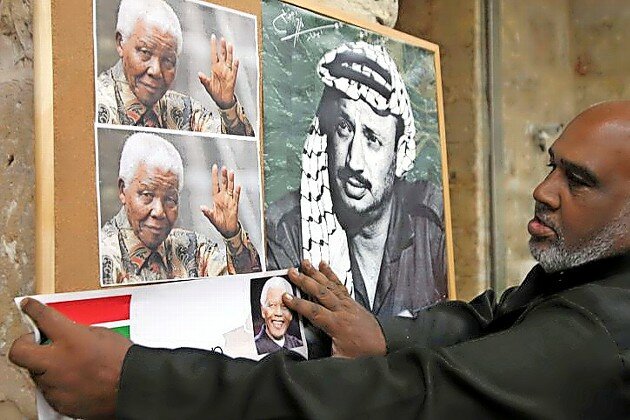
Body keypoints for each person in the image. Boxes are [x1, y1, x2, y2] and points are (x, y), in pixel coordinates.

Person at [9, 101, 630, 418]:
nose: (545, 189)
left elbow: (403, 401)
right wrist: (384, 332)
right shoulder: (585, 265)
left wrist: (138, 383)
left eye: (577, 181)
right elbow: (491, 318)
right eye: (551, 165)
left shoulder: (601, 336)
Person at [266, 41, 447, 319]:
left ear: (399, 154)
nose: (354, 161)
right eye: (344, 128)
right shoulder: (289, 231)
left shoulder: (432, 226)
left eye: (373, 139)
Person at [100, 132, 261, 284]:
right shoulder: (102, 257)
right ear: (123, 190)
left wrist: (232, 235)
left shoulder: (193, 250)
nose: (159, 212)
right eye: (147, 195)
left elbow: (249, 285)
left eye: (170, 200)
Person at [97, 0, 255, 136]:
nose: (156, 71)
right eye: (145, 53)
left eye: (168, 61)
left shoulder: (185, 111)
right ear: (120, 43)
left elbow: (243, 144)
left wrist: (227, 105)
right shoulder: (95, 104)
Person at [254, 276, 303, 354]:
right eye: (272, 305)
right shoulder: (255, 347)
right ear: (263, 311)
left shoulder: (298, 344)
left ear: (291, 313)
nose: (279, 313)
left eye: (285, 306)